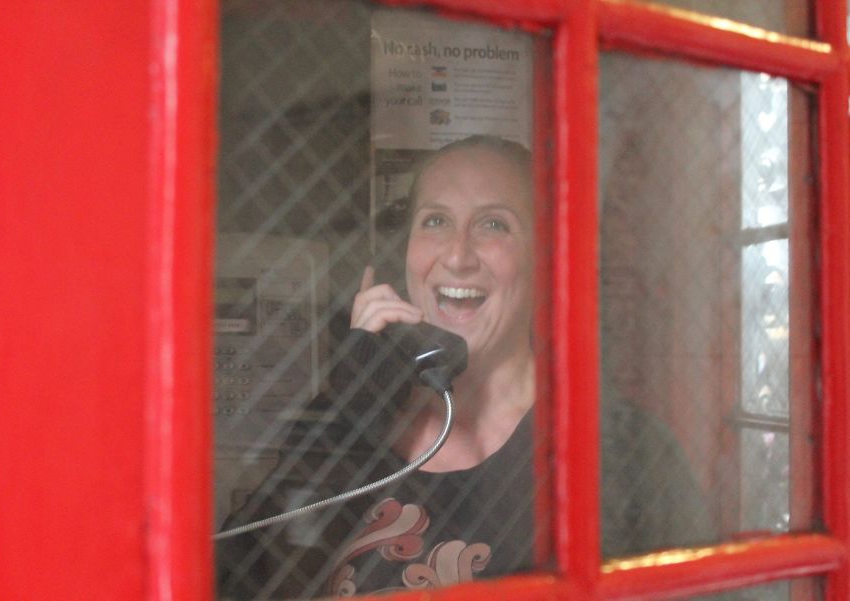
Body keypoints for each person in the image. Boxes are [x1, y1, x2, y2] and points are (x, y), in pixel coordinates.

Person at [216, 136, 713, 600]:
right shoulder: (353, 416)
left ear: (546, 258)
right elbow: (237, 576)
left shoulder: (622, 449)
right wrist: (351, 410)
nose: (456, 255)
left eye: (494, 224)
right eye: (435, 221)